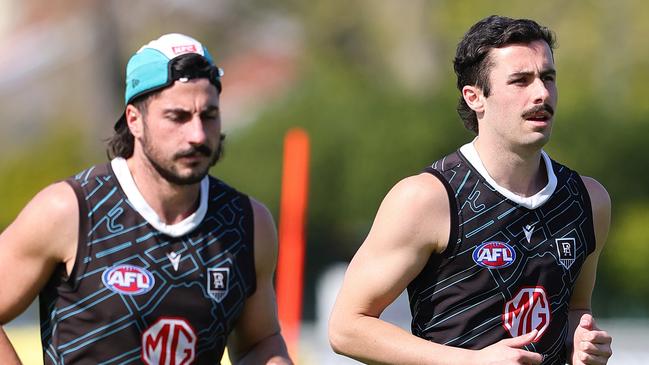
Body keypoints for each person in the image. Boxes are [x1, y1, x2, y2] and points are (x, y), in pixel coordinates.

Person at [329, 15, 613, 365]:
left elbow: (575, 309)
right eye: (521, 81)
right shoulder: (427, 198)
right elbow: (346, 328)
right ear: (475, 97)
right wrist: (470, 361)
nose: (541, 93)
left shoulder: (587, 199)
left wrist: (582, 343)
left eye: (548, 78)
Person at [0, 33, 292, 364]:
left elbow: (262, 342)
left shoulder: (247, 223)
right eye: (177, 117)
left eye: (208, 115)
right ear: (134, 120)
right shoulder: (70, 211)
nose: (197, 135)